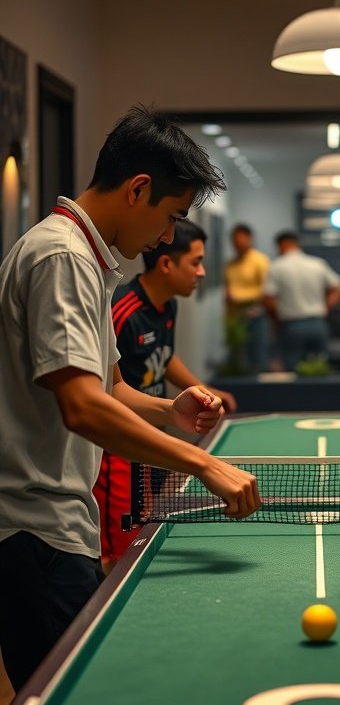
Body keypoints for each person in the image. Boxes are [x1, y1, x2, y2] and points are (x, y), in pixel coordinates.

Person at [0, 106, 260, 705]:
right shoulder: (62, 258)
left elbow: (105, 384)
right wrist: (204, 466)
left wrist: (169, 411)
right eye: (172, 217)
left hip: (45, 523)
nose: (167, 238)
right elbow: (80, 409)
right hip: (34, 525)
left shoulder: (78, 253)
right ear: (139, 188)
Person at [94, 218, 238, 568]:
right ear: (166, 264)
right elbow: (107, 388)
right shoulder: (121, 312)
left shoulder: (167, 305)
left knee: (145, 528)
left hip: (152, 437)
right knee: (119, 554)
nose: (202, 272)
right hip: (119, 449)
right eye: (196, 262)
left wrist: (202, 389)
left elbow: (164, 355)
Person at [263, 231, 340, 371]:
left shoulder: (276, 267)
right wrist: (326, 306)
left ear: (282, 245)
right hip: (318, 324)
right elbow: (339, 289)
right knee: (319, 369)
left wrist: (276, 322)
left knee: (293, 370)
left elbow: (269, 300)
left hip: (292, 326)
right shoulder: (317, 264)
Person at [224, 223, 269, 373]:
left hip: (255, 316)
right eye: (234, 239)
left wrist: (238, 296)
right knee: (238, 358)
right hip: (235, 318)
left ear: (249, 238)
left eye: (240, 238)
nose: (237, 243)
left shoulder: (260, 260)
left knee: (256, 356)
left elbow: (265, 291)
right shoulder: (231, 263)